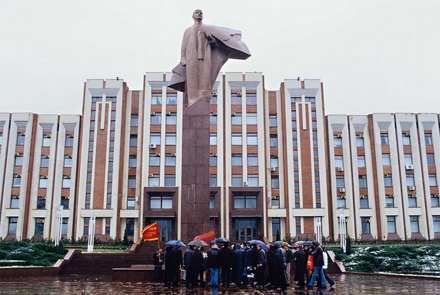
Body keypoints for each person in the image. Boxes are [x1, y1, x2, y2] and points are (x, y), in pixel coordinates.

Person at [168, 9, 251, 107]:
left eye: (201, 13)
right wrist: (183, 57)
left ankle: (202, 98)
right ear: (193, 16)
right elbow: (184, 45)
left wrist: (210, 38)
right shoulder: (188, 30)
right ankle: (192, 100)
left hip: (205, 58)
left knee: (205, 77)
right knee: (191, 78)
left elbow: (214, 44)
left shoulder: (207, 29)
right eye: (197, 13)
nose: (199, 14)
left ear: (202, 16)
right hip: (191, 57)